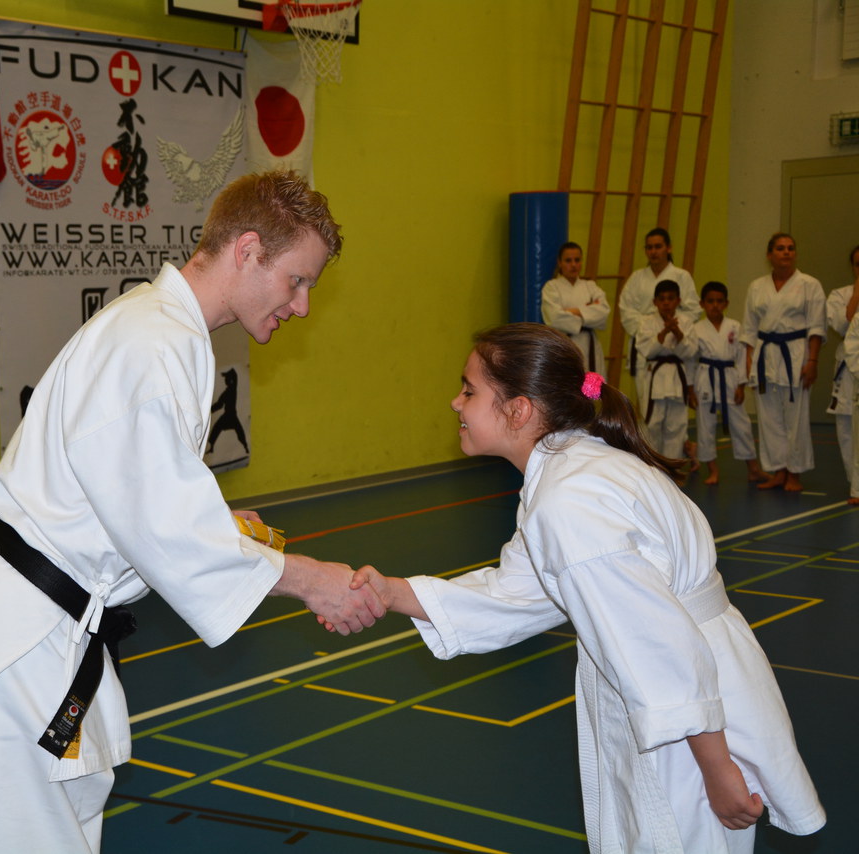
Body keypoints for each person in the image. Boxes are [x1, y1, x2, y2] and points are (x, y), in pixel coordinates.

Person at [0, 171, 385, 853]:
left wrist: (216, 524)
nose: (301, 306)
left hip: (51, 635)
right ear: (248, 251)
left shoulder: (165, 334)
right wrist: (310, 579)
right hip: (25, 643)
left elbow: (129, 496)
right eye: (297, 280)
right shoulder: (152, 343)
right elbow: (167, 527)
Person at [343, 323, 825, 853]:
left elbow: (656, 643)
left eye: (469, 390)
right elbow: (517, 592)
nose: (455, 402)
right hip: (691, 696)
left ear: (518, 410)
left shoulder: (570, 500)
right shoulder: (574, 467)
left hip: (683, 722)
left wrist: (716, 767)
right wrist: (391, 592)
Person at [741, 233, 825, 492]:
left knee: (796, 417)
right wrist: (749, 363)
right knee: (769, 419)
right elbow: (749, 329)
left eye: (790, 248)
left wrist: (812, 360)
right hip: (765, 356)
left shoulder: (810, 285)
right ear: (770, 255)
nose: (786, 252)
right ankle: (778, 471)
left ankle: (794, 473)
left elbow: (816, 327)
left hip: (796, 354)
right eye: (780, 248)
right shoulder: (757, 287)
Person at [689, 282, 768, 485]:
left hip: (730, 378)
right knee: (705, 427)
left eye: (719, 301)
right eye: (710, 301)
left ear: (726, 303)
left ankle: (753, 469)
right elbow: (690, 360)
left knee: (742, 426)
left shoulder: (735, 326)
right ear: (702, 304)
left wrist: (741, 385)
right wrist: (690, 388)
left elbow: (742, 357)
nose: (715, 305)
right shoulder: (696, 329)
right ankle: (712, 470)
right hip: (705, 378)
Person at [617, 227, 701, 409]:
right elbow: (626, 311)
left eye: (658, 246)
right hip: (647, 344)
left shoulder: (682, 276)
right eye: (649, 247)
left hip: (676, 345)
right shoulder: (637, 278)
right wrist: (652, 326)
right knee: (646, 404)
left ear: (668, 248)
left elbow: (693, 310)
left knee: (676, 406)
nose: (653, 252)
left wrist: (672, 324)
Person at [636, 279, 696, 466]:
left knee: (676, 425)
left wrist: (677, 331)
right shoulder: (646, 322)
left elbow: (691, 351)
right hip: (655, 377)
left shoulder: (686, 322)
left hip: (678, 377)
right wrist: (664, 332)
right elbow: (646, 350)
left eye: (671, 298)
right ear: (655, 302)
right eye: (662, 299)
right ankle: (652, 468)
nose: (666, 303)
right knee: (652, 424)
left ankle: (671, 469)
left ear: (678, 301)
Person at [541, 241, 610, 375]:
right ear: (560, 263)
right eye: (568, 261)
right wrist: (588, 311)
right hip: (564, 343)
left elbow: (603, 313)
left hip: (590, 345)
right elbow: (554, 318)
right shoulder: (551, 287)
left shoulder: (590, 286)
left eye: (577, 260)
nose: (573, 265)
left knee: (594, 385)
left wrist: (572, 311)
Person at [826, 244, 859, 502]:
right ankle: (854, 483)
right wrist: (857, 293)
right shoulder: (840, 294)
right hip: (849, 368)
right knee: (847, 428)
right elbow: (842, 324)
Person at [838, 244, 859, 504]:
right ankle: (857, 489)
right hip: (857, 382)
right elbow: (852, 348)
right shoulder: (857, 318)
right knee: (857, 441)